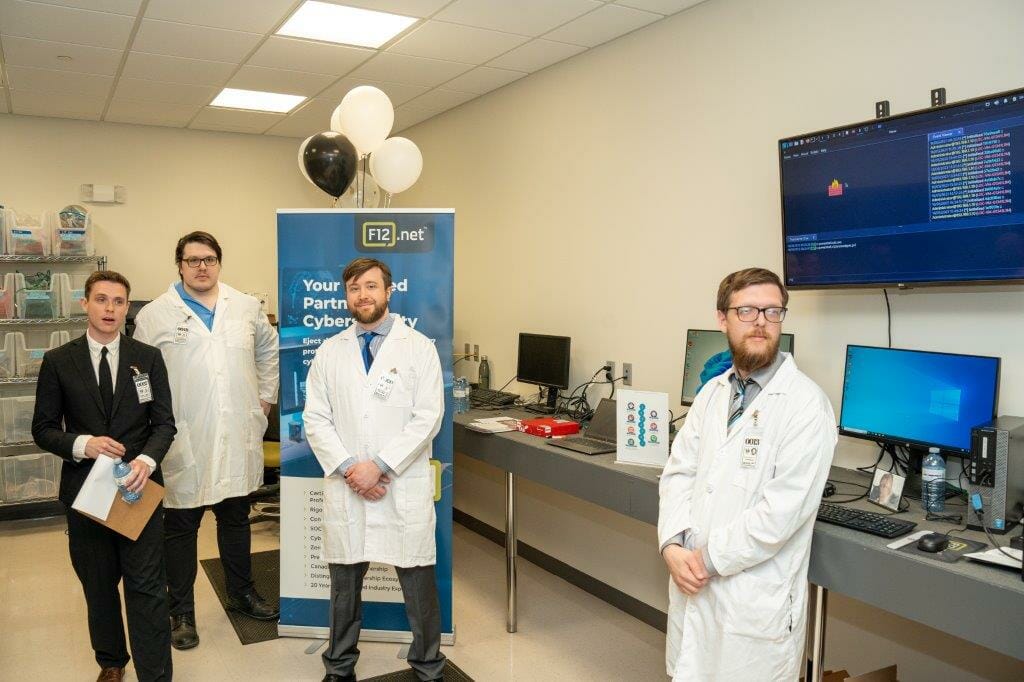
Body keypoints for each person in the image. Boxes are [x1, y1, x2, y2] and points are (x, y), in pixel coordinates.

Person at [658, 267, 837, 681]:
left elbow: (780, 515)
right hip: (692, 582)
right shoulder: (712, 393)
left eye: (773, 311)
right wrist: (671, 545)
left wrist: (704, 561)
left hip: (752, 605)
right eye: (747, 310)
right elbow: (678, 473)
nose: (761, 321)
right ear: (722, 318)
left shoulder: (806, 405)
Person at [133, 231, 280, 650]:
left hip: (236, 433)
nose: (202, 266)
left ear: (219, 263)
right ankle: (181, 611)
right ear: (178, 264)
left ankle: (242, 594)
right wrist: (148, 421)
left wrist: (264, 398)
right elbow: (138, 374)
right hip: (183, 438)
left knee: (235, 520)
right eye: (193, 259)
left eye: (210, 259)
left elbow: (268, 352)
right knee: (180, 528)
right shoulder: (156, 316)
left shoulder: (246, 308)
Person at [303, 257, 446, 682]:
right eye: (353, 288)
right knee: (344, 586)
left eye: (370, 286)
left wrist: (379, 467)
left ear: (388, 291)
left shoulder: (418, 348)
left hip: (399, 484)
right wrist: (352, 469)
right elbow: (316, 417)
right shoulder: (331, 350)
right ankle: (340, 666)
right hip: (350, 484)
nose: (362, 295)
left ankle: (428, 665)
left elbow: (428, 417)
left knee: (418, 583)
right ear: (346, 296)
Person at [32, 271, 176, 682]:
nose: (110, 309)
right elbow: (43, 429)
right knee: (98, 586)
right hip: (86, 494)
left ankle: (155, 674)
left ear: (127, 308)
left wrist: (146, 462)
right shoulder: (59, 361)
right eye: (101, 300)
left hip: (137, 489)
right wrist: (84, 444)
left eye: (118, 301)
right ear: (86, 304)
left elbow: (164, 424)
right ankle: (111, 663)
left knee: (147, 588)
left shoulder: (147, 358)